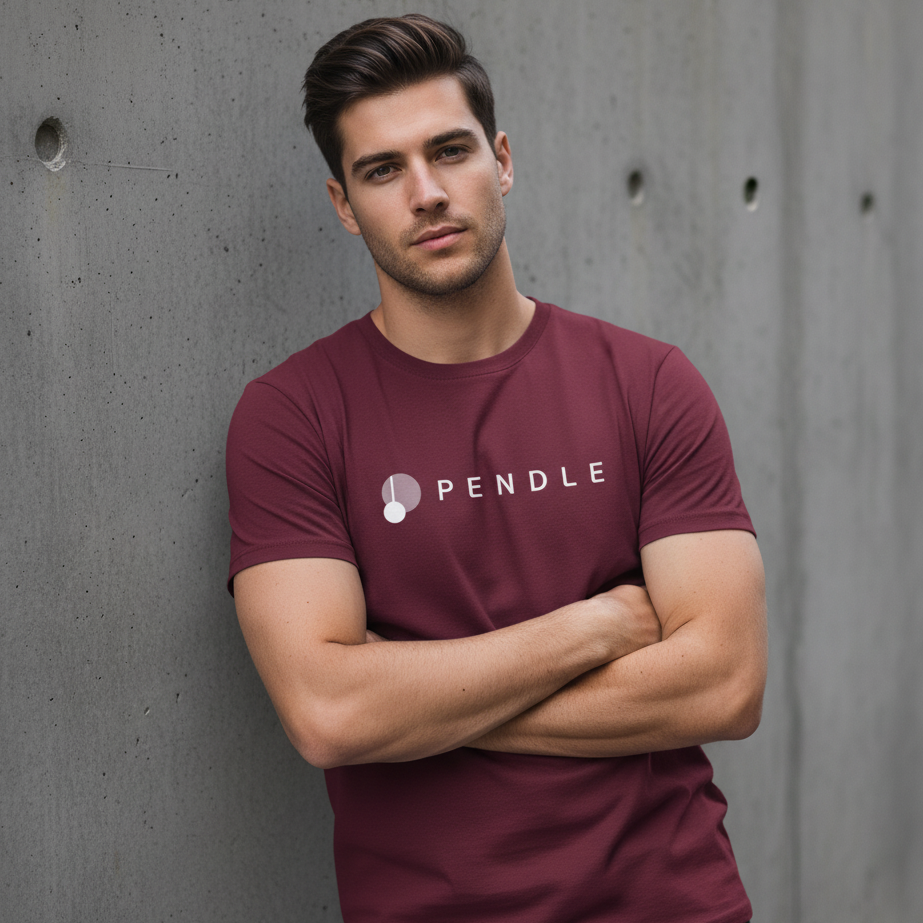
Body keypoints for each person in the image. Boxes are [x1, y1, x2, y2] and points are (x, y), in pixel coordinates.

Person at [226, 13, 767, 923]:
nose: (427, 192)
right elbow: (330, 715)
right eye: (382, 170)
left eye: (450, 150)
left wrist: (418, 703)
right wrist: (598, 626)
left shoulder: (646, 382)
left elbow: (724, 682)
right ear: (342, 204)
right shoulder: (293, 415)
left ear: (502, 159)